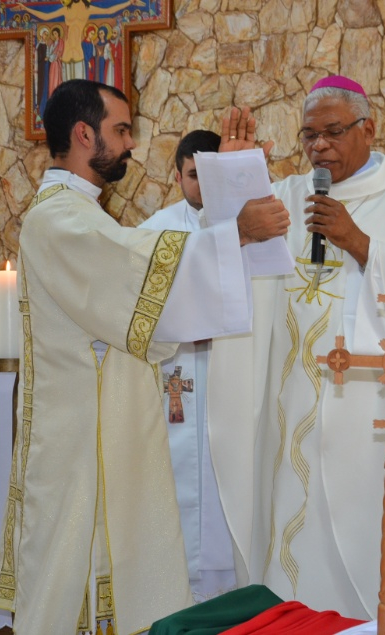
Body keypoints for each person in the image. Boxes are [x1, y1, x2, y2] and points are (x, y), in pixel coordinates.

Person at [0, 80, 289, 635]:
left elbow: (145, 277)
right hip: (79, 441)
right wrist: (235, 229)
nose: (131, 144)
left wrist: (227, 196)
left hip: (101, 430)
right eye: (121, 130)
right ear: (84, 135)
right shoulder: (57, 219)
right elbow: (141, 273)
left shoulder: (84, 215)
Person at [208, 75, 385, 619]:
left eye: (333, 132)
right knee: (286, 539)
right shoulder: (287, 198)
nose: (319, 147)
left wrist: (362, 243)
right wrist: (232, 179)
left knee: (364, 553)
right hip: (288, 412)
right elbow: (231, 261)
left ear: (368, 129)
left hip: (368, 426)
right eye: (309, 136)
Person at [138, 130, 239, 601]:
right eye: (194, 175)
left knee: (227, 486)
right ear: (178, 175)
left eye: (210, 174)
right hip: (174, 380)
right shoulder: (153, 232)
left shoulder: (247, 228)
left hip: (227, 381)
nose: (202, 185)